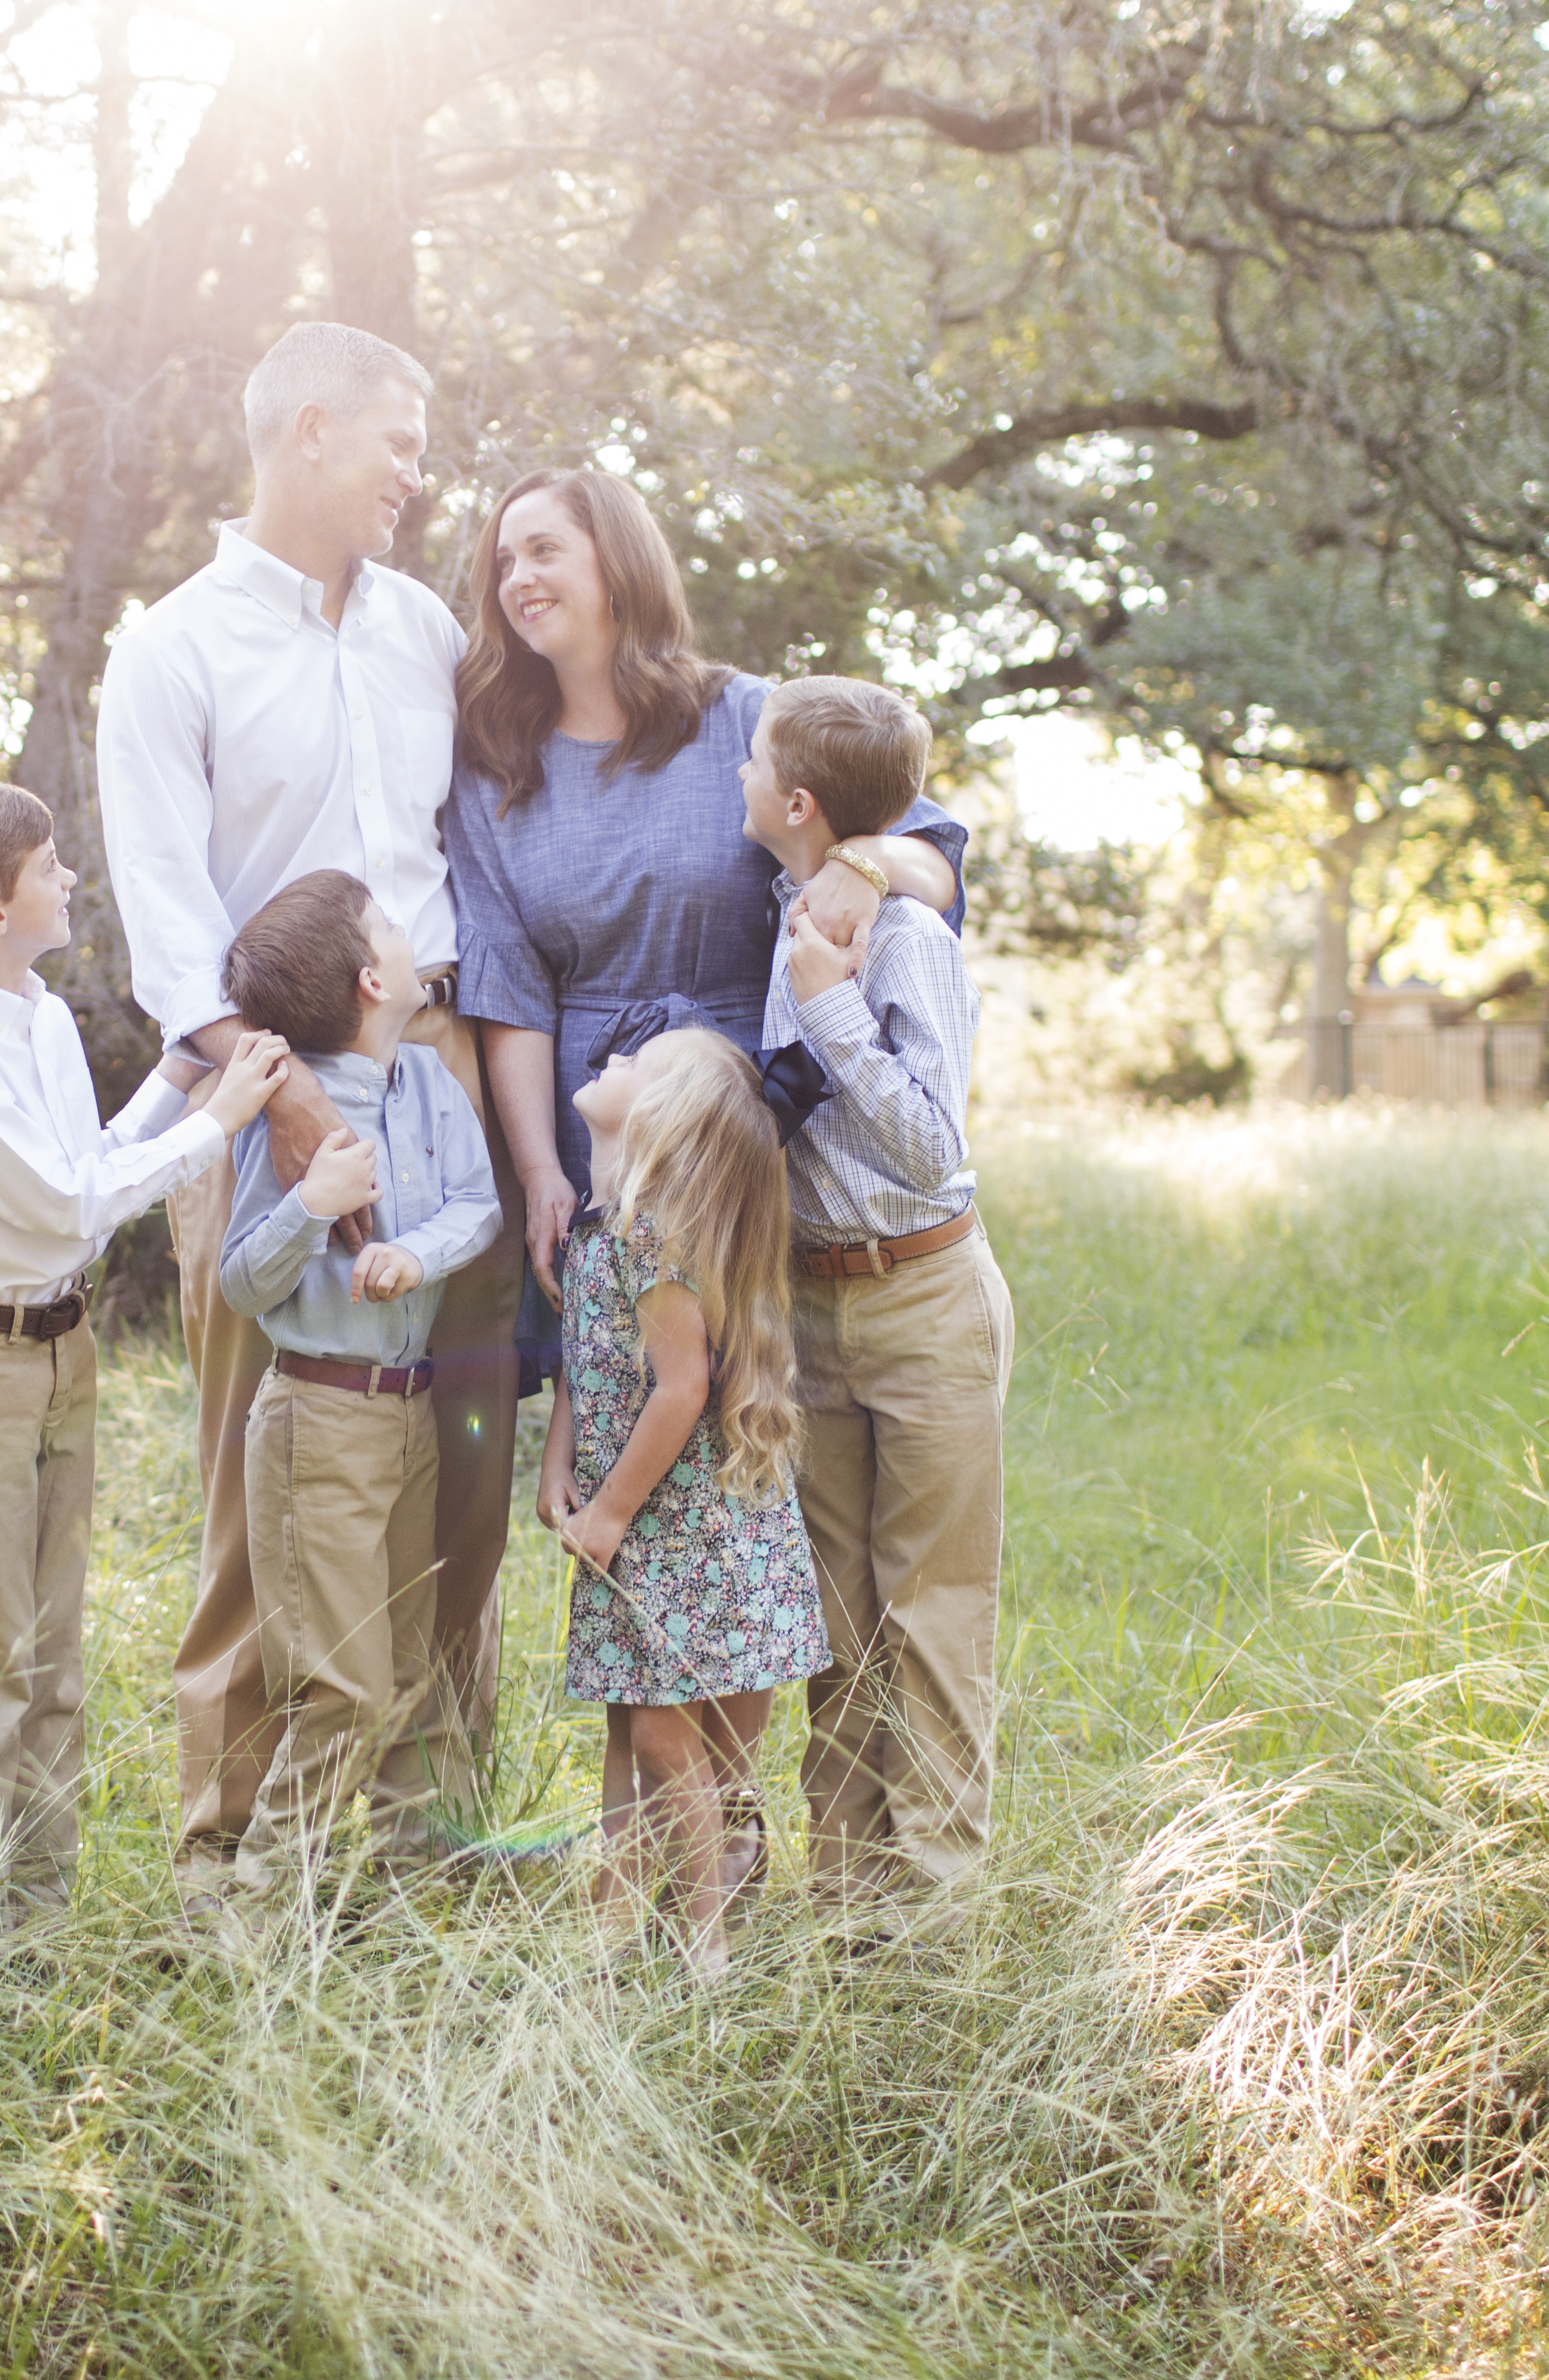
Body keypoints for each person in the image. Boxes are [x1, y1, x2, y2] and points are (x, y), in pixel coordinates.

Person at [444, 464, 967, 1881]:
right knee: (641, 1479)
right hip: (607, 1157)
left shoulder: (746, 718)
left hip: (756, 1138)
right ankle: (676, 1852)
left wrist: (859, 870)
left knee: (748, 1500)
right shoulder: (498, 765)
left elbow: (931, 836)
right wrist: (544, 1174)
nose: (516, 579)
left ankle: (779, 1840)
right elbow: (505, 994)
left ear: (618, 559)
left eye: (542, 549)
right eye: (502, 562)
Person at [94, 323, 526, 1896]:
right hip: (257, 1081)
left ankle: (431, 1846)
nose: (419, 476)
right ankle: (230, 1860)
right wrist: (276, 1115)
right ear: (312, 431)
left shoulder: (420, 631)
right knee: (266, 1471)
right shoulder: (175, 652)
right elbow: (159, 919)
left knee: (456, 1464)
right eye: (402, 445)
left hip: (442, 1073)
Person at [0, 780, 293, 1953]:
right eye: (49, 865)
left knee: (50, 1657)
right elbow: (65, 1211)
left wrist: (181, 1073)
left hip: (61, 1352)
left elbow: (89, 1158)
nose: (68, 879)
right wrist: (226, 1121)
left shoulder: (36, 1013)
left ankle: (36, 1920)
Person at [739, 676, 1013, 1914]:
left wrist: (831, 1008)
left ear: (794, 799)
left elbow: (929, 1144)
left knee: (934, 1616)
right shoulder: (794, 903)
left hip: (922, 1301)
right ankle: (846, 1909)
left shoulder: (902, 941)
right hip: (809, 1308)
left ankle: (939, 1919)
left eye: (750, 765)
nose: (734, 782)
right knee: (835, 1624)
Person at [214, 869, 503, 1895]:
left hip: (411, 1413)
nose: (407, 927)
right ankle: (258, 1914)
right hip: (320, 1419)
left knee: (413, 1664)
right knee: (342, 1682)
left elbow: (477, 1203)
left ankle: (408, 1890)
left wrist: (417, 1252)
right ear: (371, 979)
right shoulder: (284, 1118)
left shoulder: (427, 1083)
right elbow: (242, 1280)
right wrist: (313, 1205)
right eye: (390, 922)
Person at [536, 1025, 826, 1978]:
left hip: (679, 1524)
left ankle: (704, 1944)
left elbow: (680, 1388)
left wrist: (610, 1514)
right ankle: (625, 1914)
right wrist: (558, 1460)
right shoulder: (603, 1221)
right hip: (650, 1518)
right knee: (642, 1729)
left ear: (664, 1120)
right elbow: (589, 1363)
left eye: (639, 1065)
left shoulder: (655, 1234)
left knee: (666, 1739)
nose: (611, 1058)